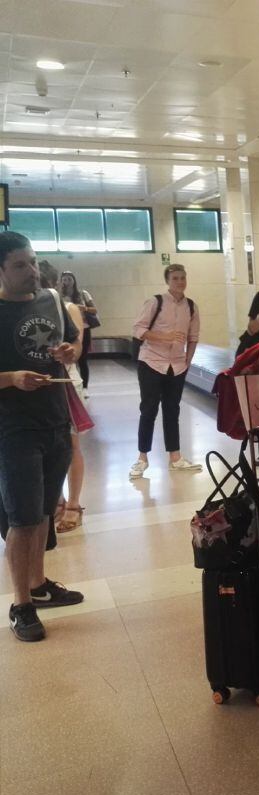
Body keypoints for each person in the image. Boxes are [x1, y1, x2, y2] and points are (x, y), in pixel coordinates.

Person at [0, 232, 85, 642]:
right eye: (20, 265)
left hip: (55, 420)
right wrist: (12, 378)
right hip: (13, 430)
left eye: (33, 261)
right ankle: (21, 604)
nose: (31, 270)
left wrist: (71, 350)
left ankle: (38, 584)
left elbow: (73, 342)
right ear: (1, 269)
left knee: (44, 513)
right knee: (22, 518)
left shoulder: (50, 299)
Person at [129, 264, 201, 479]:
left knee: (173, 410)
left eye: (183, 277)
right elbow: (139, 330)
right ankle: (142, 457)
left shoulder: (191, 306)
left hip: (177, 365)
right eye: (176, 278)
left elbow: (193, 336)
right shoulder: (155, 302)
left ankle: (175, 457)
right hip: (152, 362)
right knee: (149, 409)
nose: (180, 281)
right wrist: (165, 337)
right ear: (168, 281)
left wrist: (188, 360)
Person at [38, 262, 93, 535]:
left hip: (67, 381)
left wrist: (66, 350)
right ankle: (57, 499)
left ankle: (73, 504)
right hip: (41, 384)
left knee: (70, 444)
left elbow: (77, 347)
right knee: (49, 444)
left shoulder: (67, 308)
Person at [59, 270, 96, 393]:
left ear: (74, 280)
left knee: (82, 359)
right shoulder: (59, 296)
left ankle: (85, 387)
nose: (67, 282)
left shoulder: (83, 294)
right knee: (68, 358)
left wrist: (83, 308)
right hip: (66, 330)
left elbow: (94, 310)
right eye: (64, 279)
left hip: (83, 329)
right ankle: (69, 387)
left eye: (69, 279)